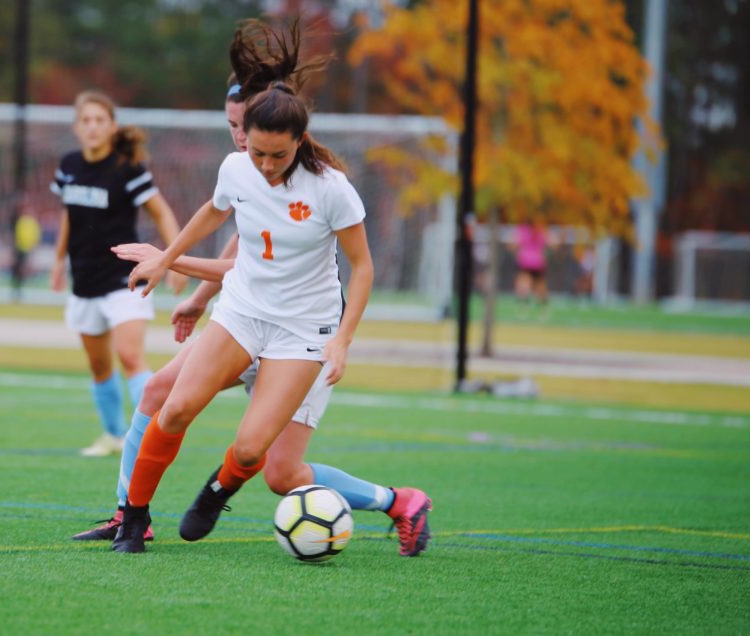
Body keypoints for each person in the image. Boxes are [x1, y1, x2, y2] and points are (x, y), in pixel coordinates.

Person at [72, 21, 431, 558]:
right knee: (164, 400)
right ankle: (133, 519)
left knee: (279, 471)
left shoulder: (330, 190)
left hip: (302, 333)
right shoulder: (240, 169)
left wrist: (342, 340)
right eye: (242, 137)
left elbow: (362, 268)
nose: (260, 162)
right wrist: (173, 268)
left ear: (297, 139)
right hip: (243, 316)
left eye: (273, 154)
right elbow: (226, 232)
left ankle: (394, 500)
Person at [50, 90, 187, 457]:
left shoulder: (127, 169)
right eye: (86, 120)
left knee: (129, 356)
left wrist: (172, 260)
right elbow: (67, 215)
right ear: (77, 127)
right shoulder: (68, 165)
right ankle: (113, 435)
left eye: (100, 120)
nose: (92, 127)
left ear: (112, 127)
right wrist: (57, 259)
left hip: (125, 280)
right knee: (98, 365)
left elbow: (161, 212)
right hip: (85, 281)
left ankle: (148, 436)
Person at [512, 214, 552, 317]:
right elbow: (550, 243)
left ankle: (525, 308)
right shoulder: (540, 230)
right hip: (537, 262)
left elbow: (514, 244)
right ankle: (543, 309)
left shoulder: (524, 230)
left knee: (524, 285)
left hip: (526, 261)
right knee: (539, 287)